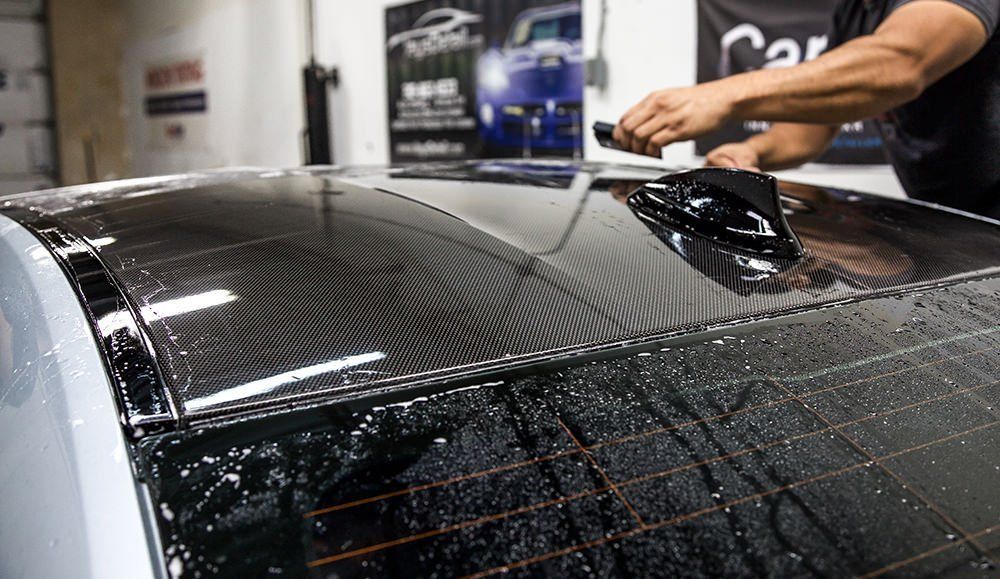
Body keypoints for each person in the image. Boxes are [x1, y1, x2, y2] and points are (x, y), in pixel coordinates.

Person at [612, 0, 1000, 218]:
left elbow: (900, 63)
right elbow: (808, 132)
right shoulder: (853, 13)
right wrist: (752, 152)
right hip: (946, 220)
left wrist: (723, 95)